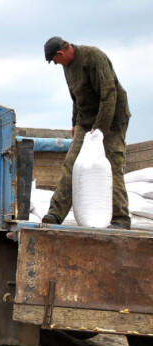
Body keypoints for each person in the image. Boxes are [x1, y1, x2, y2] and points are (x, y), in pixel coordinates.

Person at [42, 36, 132, 229]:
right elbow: (76, 98)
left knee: (112, 164)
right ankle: (55, 214)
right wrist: (75, 123)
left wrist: (99, 130)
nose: (56, 64)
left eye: (55, 61)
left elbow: (109, 95)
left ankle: (121, 219)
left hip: (113, 118)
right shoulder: (68, 67)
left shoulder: (93, 57)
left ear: (61, 53)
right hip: (86, 120)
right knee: (71, 163)